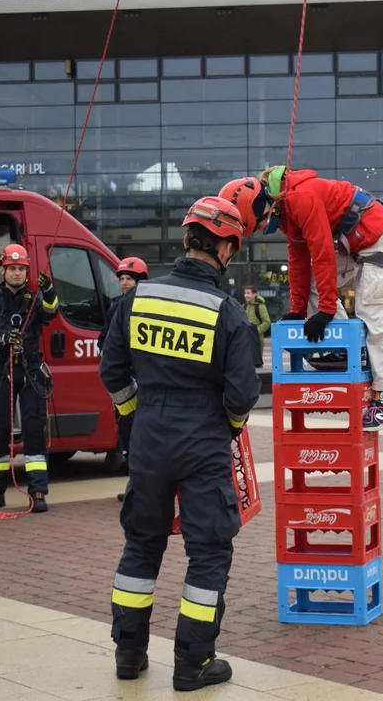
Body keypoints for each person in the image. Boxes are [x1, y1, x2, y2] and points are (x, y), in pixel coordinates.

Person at [98, 196, 261, 692]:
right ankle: (193, 663)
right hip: (203, 437)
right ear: (228, 248)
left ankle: (129, 655)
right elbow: (241, 396)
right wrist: (227, 428)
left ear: (188, 239)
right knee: (208, 550)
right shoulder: (230, 314)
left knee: (141, 544)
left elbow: (112, 372)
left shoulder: (137, 298)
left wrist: (134, 420)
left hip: (149, 434)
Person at [219, 168, 383, 432]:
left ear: (263, 209)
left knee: (375, 312)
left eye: (257, 225)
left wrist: (326, 310)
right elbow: (298, 258)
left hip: (376, 234)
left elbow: (322, 252)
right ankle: (344, 352)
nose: (261, 231)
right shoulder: (284, 212)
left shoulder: (299, 198)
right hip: (351, 239)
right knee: (313, 286)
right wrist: (297, 308)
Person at [0, 243, 58, 513]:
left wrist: (48, 291)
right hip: (2, 372)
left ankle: (37, 491)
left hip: (31, 371)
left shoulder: (34, 300)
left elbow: (51, 312)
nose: (17, 273)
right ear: (3, 270)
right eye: (12, 269)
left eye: (21, 269)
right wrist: (0, 339)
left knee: (35, 430)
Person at [100, 258, 149, 504]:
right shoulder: (115, 309)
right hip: (126, 383)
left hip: (148, 382)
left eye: (129, 278)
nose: (125, 282)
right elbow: (104, 342)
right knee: (130, 437)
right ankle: (136, 487)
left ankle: (152, 488)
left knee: (149, 438)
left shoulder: (151, 307)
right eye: (122, 278)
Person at [243, 285, 271, 368]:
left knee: (256, 363)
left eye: (248, 293)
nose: (246, 295)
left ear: (254, 294)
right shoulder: (247, 305)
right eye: (245, 293)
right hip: (248, 338)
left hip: (257, 339)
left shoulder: (260, 306)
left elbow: (267, 322)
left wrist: (256, 332)